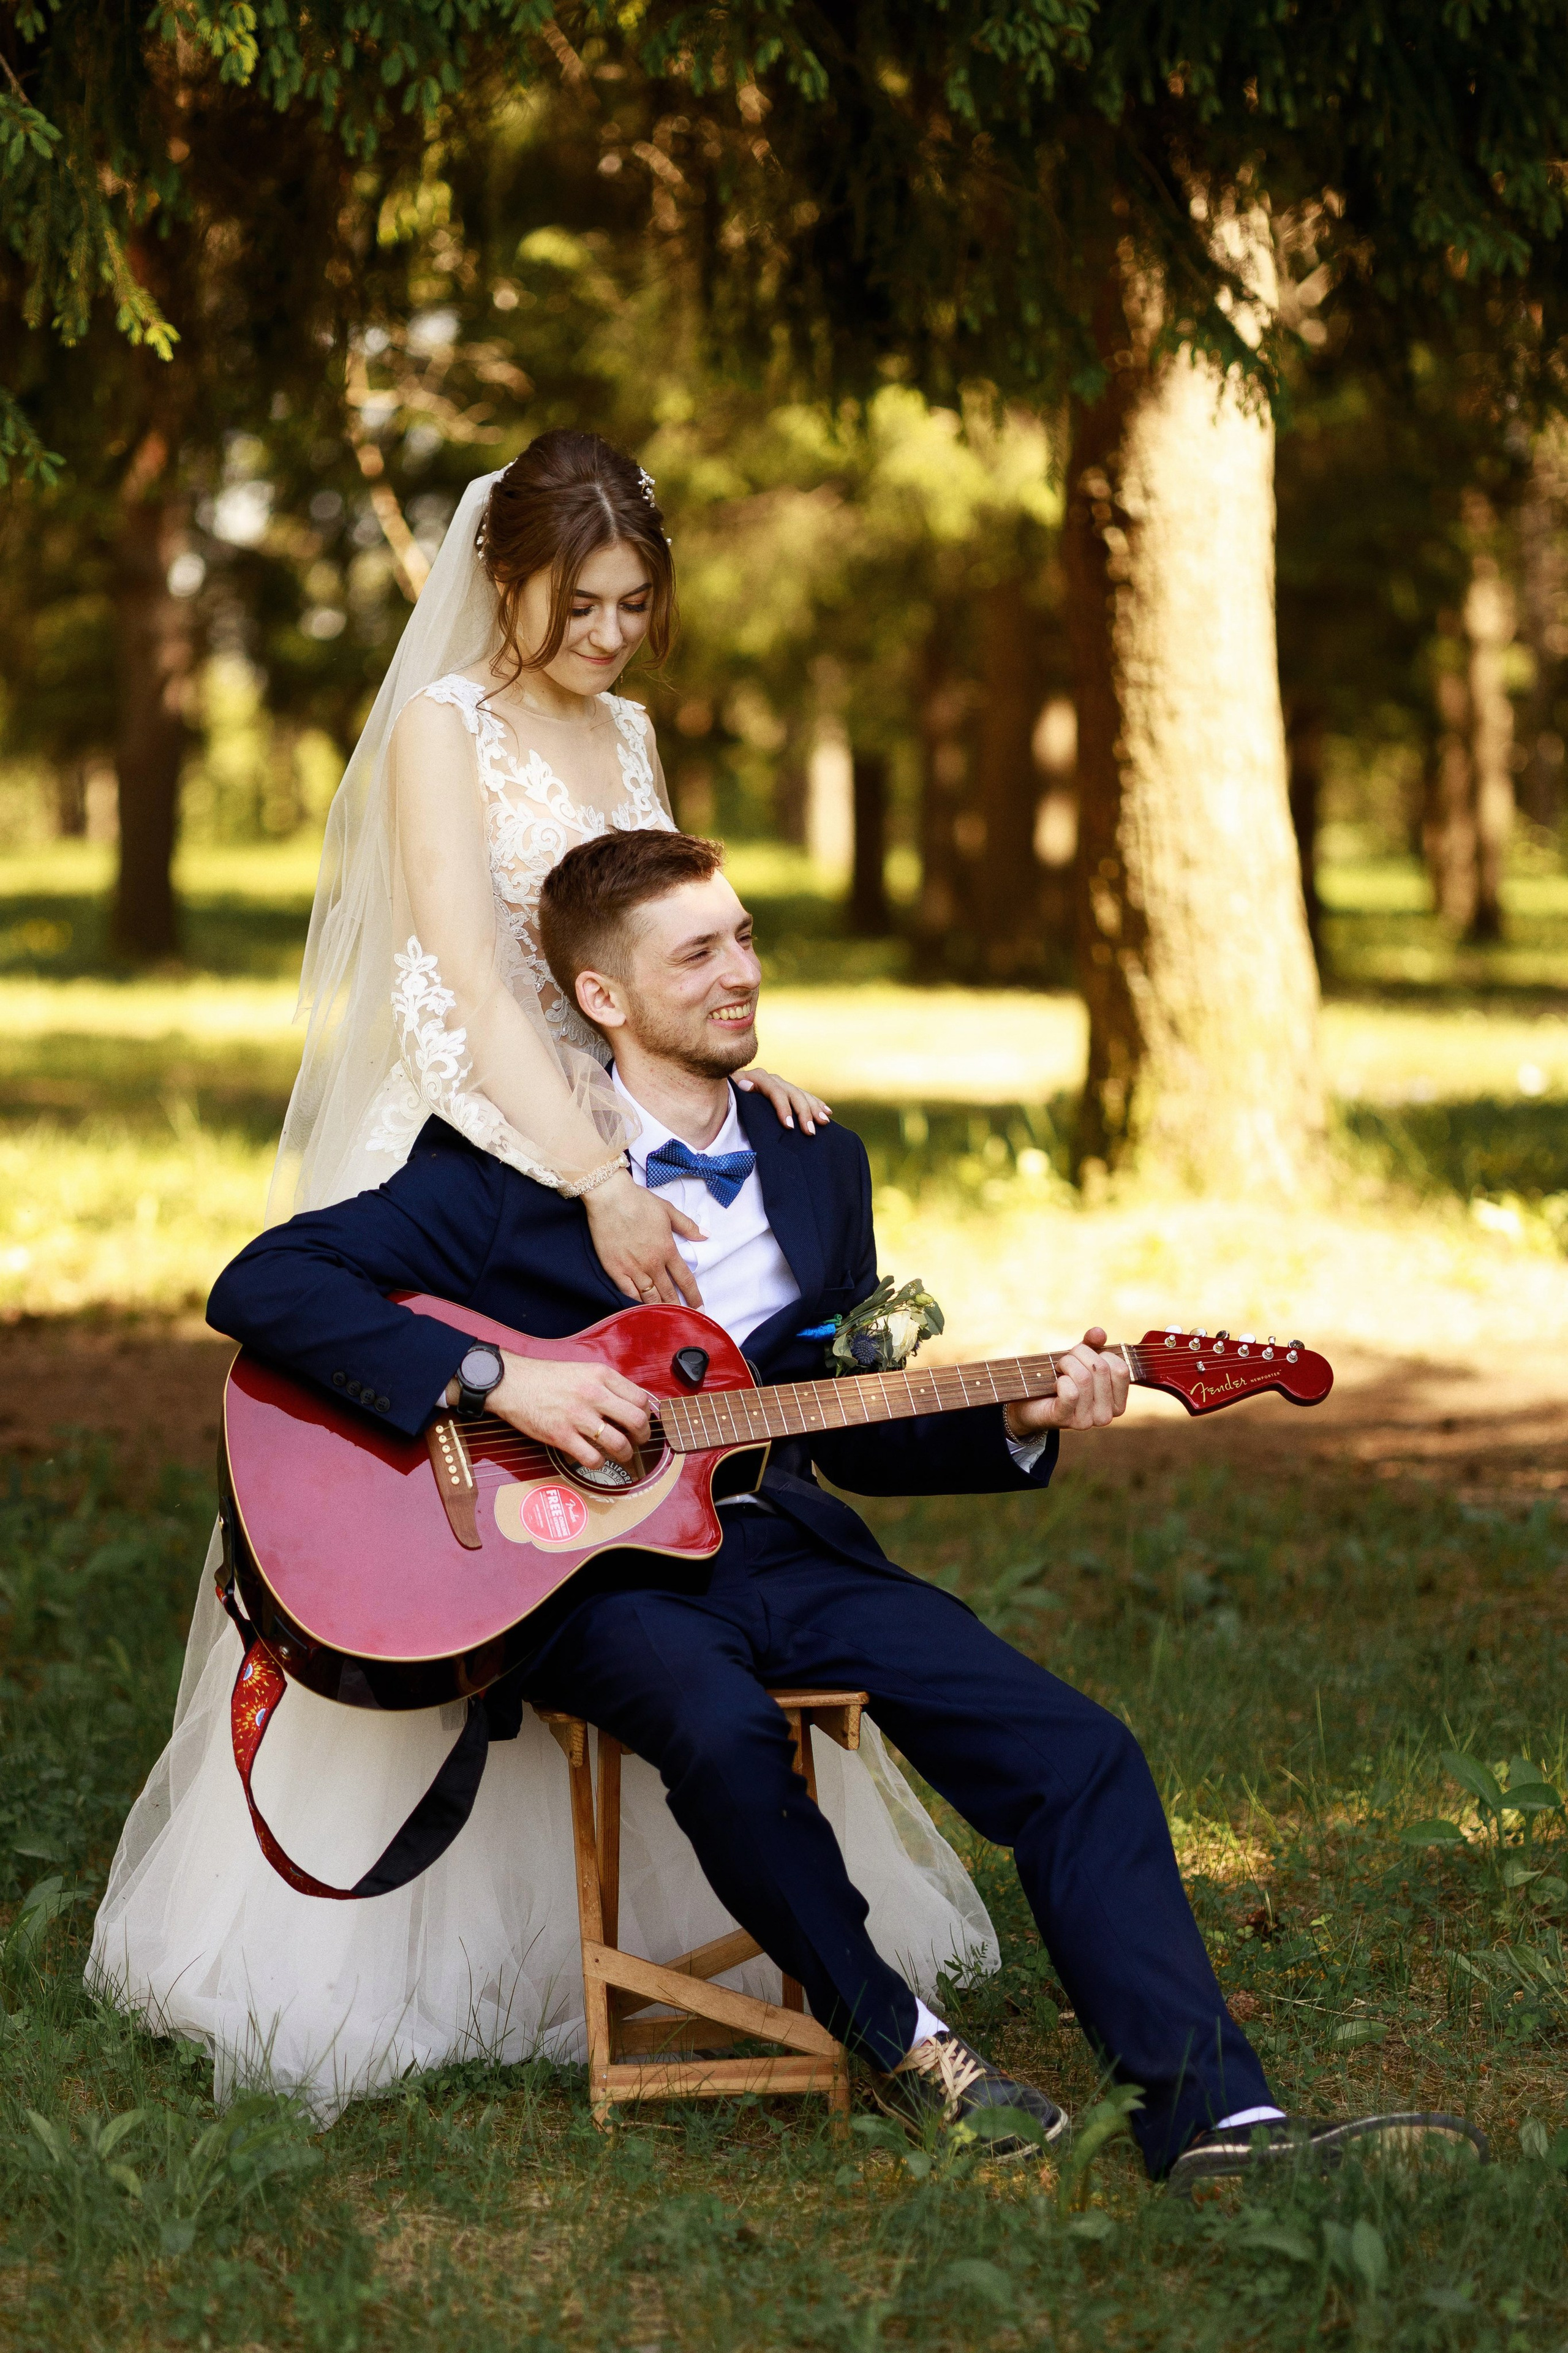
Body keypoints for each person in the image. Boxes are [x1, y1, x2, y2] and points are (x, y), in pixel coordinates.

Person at [197, 829, 1482, 2185]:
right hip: (582, 1571)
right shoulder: (501, 1169)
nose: (739, 971)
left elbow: (829, 1408)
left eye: (744, 936)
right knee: (716, 1726)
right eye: (696, 952)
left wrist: (1016, 1417)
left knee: (1074, 1746)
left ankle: (1217, 2122)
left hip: (780, 1540)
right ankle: (913, 2045)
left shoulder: (818, 1162)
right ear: (601, 1000)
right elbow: (263, 1286)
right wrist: (500, 1378)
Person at [89, 434, 994, 2121]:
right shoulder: (442, 730)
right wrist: (589, 1168)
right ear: (502, 578)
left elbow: (642, 938)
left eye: (636, 602)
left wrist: (717, 1096)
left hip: (622, 1136)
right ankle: (394, 1945)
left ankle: (703, 1883)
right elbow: (472, 976)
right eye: (577, 603)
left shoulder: (632, 729)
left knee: (654, 1483)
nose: (608, 635)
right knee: (460, 1504)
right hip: (474, 1145)